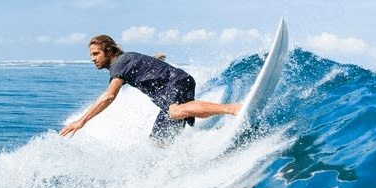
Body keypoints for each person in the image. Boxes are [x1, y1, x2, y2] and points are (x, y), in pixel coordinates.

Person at [60, 34, 241, 144]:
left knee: (175, 111)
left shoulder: (118, 65)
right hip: (174, 86)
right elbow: (140, 64)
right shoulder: (125, 59)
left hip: (175, 83)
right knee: (158, 142)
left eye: (96, 53)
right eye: (91, 54)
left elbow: (109, 96)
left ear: (109, 51)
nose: (93, 58)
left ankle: (232, 109)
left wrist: (82, 121)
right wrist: (154, 59)